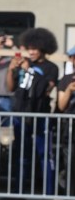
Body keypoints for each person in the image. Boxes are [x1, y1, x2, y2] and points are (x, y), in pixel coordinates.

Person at [7, 27, 59, 195]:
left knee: (44, 155)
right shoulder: (22, 64)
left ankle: (48, 192)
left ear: (43, 48)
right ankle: (18, 191)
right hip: (21, 115)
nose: (31, 52)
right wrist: (11, 69)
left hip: (41, 115)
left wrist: (29, 70)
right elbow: (10, 87)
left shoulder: (51, 68)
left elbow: (44, 90)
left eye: (35, 49)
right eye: (29, 49)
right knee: (21, 155)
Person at [57, 46, 75, 195]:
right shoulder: (66, 80)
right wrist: (69, 90)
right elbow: (61, 105)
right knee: (70, 165)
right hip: (70, 131)